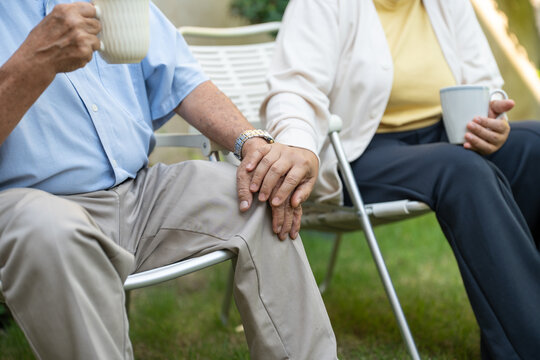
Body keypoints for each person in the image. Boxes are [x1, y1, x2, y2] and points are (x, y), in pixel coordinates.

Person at [0, 1, 337, 359]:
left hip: (139, 194)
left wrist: (251, 142)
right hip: (26, 206)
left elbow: (183, 79)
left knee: (261, 191)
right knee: (52, 231)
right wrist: (34, 62)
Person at [262, 0, 540, 358]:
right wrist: (298, 147)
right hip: (359, 150)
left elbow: (484, 80)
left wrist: (492, 116)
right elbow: (294, 89)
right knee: (462, 170)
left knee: (534, 146)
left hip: (448, 134)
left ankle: (521, 316)